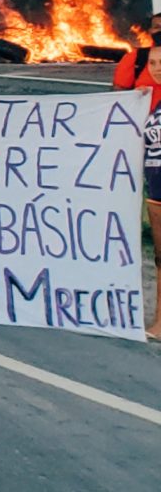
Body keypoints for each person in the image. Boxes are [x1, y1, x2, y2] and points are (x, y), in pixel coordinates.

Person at [113, 41, 161, 339]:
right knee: (159, 257)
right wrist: (136, 105)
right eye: (153, 63)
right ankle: (159, 321)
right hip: (156, 186)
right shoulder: (151, 102)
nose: (157, 68)